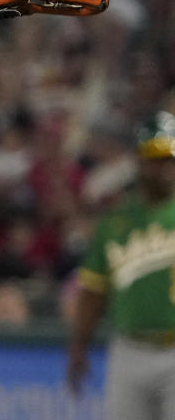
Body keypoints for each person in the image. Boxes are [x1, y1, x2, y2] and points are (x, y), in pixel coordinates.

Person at [67, 110, 175, 419]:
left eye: (168, 158)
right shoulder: (115, 222)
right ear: (139, 162)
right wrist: (79, 346)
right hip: (129, 348)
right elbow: (92, 289)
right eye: (155, 158)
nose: (163, 168)